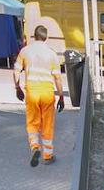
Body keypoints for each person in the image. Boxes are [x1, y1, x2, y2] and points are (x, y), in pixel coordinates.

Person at [13, 25, 65, 166]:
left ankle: (35, 147)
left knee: (32, 122)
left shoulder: (25, 51)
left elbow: (16, 71)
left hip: (32, 92)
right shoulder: (51, 54)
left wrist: (17, 88)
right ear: (46, 38)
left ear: (34, 36)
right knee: (47, 124)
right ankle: (47, 156)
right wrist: (61, 96)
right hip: (47, 93)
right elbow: (58, 78)